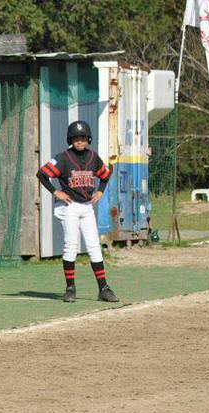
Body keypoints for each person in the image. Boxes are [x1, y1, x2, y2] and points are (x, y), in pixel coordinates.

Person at [37, 120, 118, 303]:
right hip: (69, 206)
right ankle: (70, 288)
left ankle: (103, 288)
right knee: (71, 245)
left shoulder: (93, 157)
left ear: (88, 139)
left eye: (82, 137)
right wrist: (56, 191)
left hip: (87, 206)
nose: (79, 141)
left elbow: (105, 175)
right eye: (75, 138)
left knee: (94, 245)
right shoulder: (64, 158)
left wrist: (100, 191)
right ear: (70, 140)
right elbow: (42, 174)